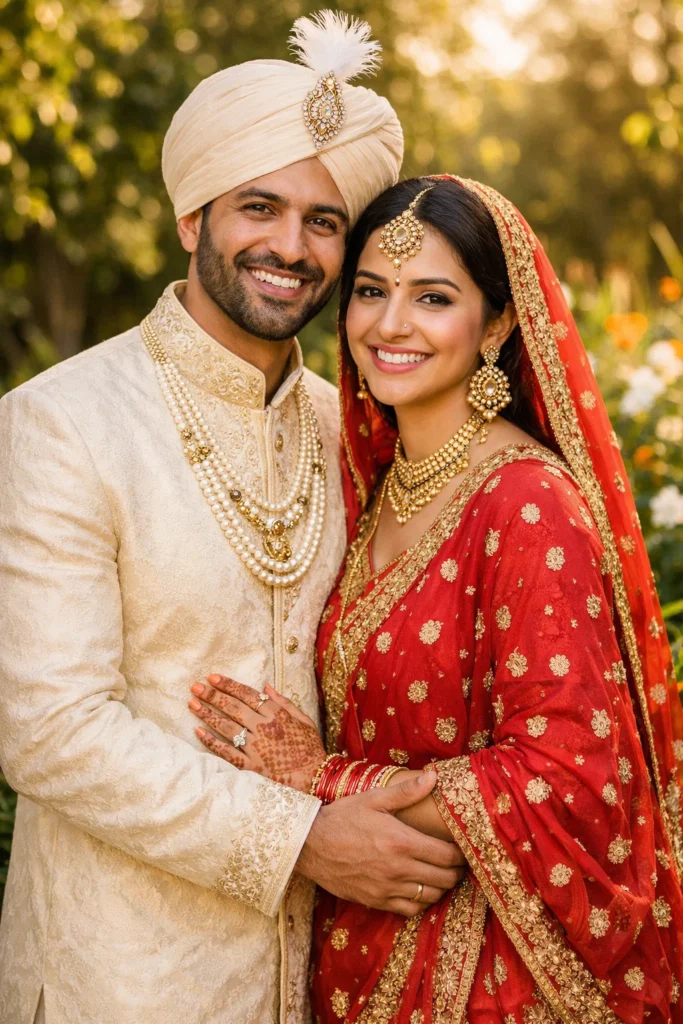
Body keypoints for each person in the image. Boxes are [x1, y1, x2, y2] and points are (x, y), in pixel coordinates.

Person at [0, 18, 466, 1024]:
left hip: (319, 975)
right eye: (259, 207)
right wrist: (302, 837)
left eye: (322, 221)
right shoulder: (60, 422)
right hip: (119, 981)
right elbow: (49, 730)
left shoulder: (351, 429)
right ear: (191, 219)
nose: (289, 248)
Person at [188, 175, 683, 1023]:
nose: (389, 325)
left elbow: (566, 773)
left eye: (433, 298)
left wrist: (323, 779)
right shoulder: (380, 484)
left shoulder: (524, 501)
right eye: (371, 292)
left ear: (495, 323)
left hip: (492, 979)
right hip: (364, 951)